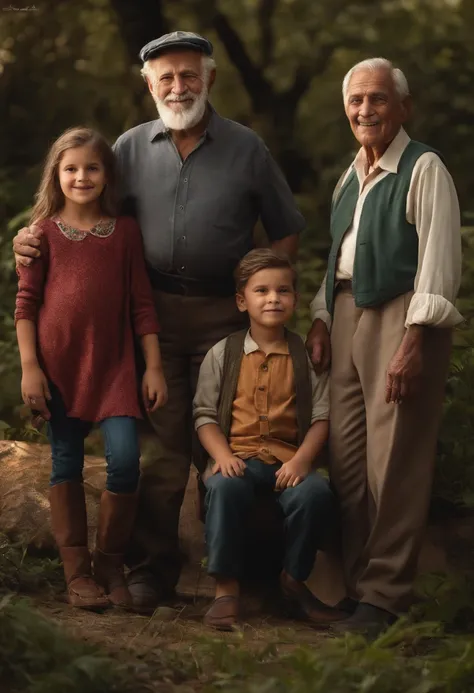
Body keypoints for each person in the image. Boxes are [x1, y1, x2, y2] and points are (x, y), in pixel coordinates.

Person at [13, 31, 305, 611]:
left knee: (235, 443)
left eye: (189, 74)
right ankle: (151, 572)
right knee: (161, 453)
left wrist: (260, 297)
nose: (178, 86)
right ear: (148, 85)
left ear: (210, 79)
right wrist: (27, 237)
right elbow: (82, 213)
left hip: (226, 315)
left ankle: (244, 576)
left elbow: (286, 227)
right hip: (147, 320)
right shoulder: (126, 148)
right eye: (165, 77)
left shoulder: (247, 148)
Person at [306, 58, 463, 635]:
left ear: (403, 107)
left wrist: (415, 338)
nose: (365, 110)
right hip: (347, 311)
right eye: (356, 101)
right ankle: (351, 588)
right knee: (345, 461)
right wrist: (322, 316)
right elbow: (336, 257)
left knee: (392, 461)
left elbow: (440, 261)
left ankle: (386, 596)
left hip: (403, 316)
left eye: (377, 100)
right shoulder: (350, 175)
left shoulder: (424, 167)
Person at [14, 127, 167, 611]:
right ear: (56, 175)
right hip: (58, 367)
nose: (82, 177)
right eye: (71, 168)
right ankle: (77, 574)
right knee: (66, 462)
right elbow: (25, 306)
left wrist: (154, 367)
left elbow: (143, 305)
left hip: (116, 366)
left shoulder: (124, 232)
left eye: (92, 168)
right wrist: (30, 368)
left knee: (124, 461)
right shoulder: (41, 235)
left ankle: (109, 563)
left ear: (108, 174)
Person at [193, 248, 344, 630]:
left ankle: (293, 582)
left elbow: (322, 417)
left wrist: (302, 461)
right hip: (238, 458)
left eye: (283, 290)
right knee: (226, 490)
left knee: (314, 494)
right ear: (242, 301)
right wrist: (222, 456)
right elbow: (205, 416)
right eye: (261, 291)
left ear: (295, 298)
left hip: (287, 461)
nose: (273, 298)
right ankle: (226, 589)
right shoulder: (222, 354)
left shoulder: (306, 356)